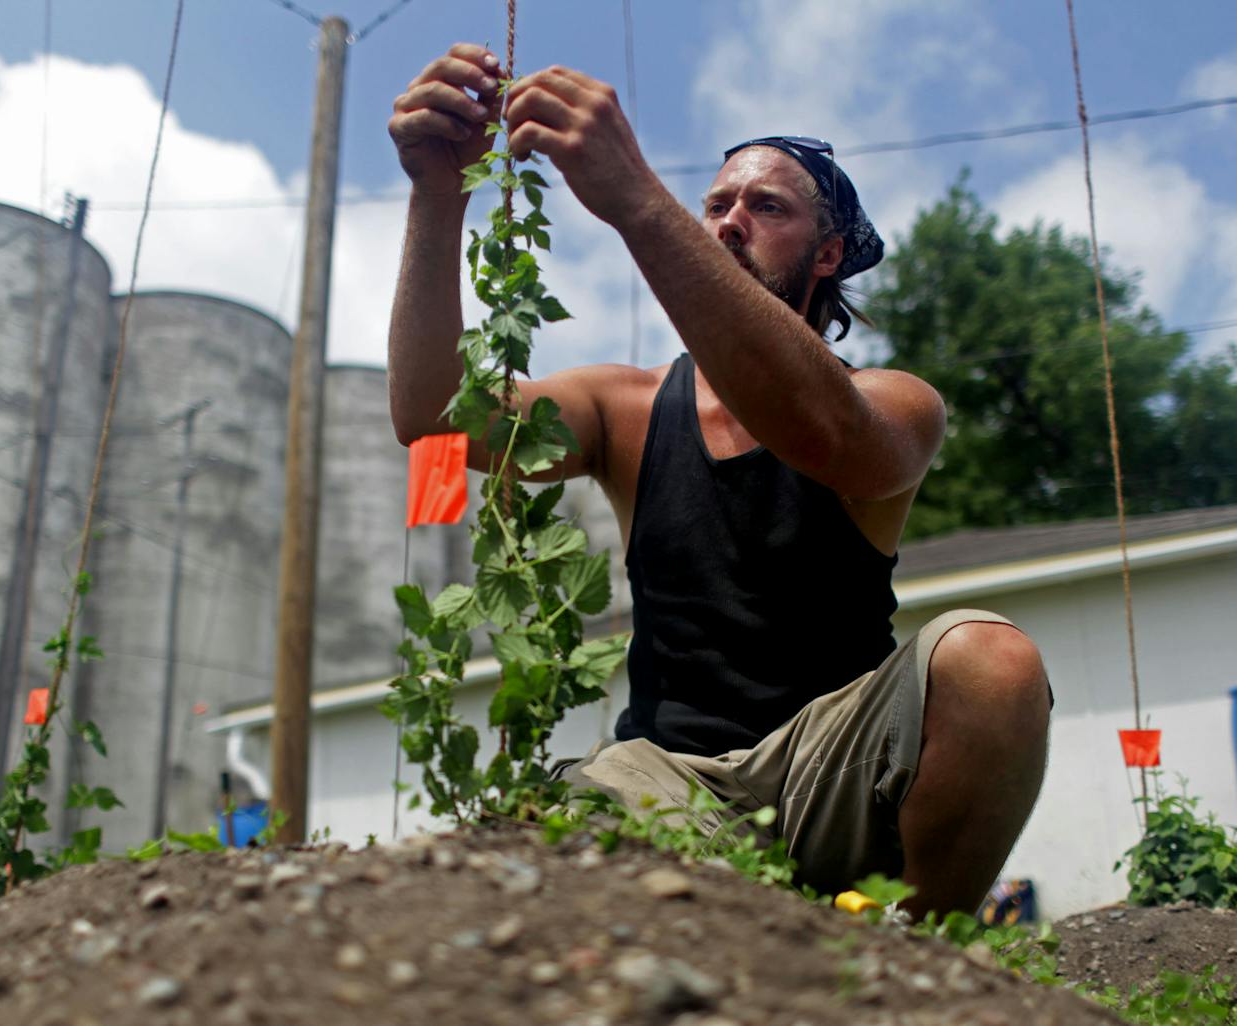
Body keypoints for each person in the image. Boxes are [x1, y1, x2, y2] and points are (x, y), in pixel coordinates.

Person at [387, 44, 1052, 917]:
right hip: (664, 779)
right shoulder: (623, 408)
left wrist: (635, 200)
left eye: (766, 206)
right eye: (717, 204)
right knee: (545, 855)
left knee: (992, 662)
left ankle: (928, 961)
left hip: (833, 774)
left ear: (829, 253)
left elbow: (821, 431)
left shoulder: (891, 403)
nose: (730, 219)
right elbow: (438, 419)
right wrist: (438, 197)